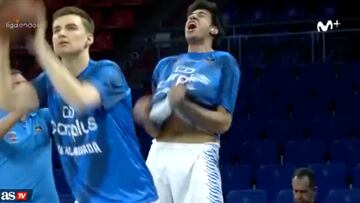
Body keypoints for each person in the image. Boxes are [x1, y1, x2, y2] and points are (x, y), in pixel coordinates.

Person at [0, 4, 157, 203]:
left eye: (71, 28)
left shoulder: (108, 71)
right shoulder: (48, 81)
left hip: (130, 197)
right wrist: (3, 40)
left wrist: (41, 47)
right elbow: (9, 102)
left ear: (89, 39)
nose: (61, 34)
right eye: (56, 30)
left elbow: (81, 100)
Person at [133, 0, 240, 202]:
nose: (192, 18)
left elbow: (224, 123)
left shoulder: (224, 62)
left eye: (200, 15)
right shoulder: (164, 65)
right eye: (190, 16)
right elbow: (157, 127)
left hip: (197, 154)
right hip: (158, 154)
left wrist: (184, 106)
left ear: (214, 29)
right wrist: (146, 118)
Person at [0, 69, 59, 203]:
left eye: (24, 83)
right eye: (16, 84)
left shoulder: (43, 116)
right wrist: (18, 111)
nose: (23, 88)